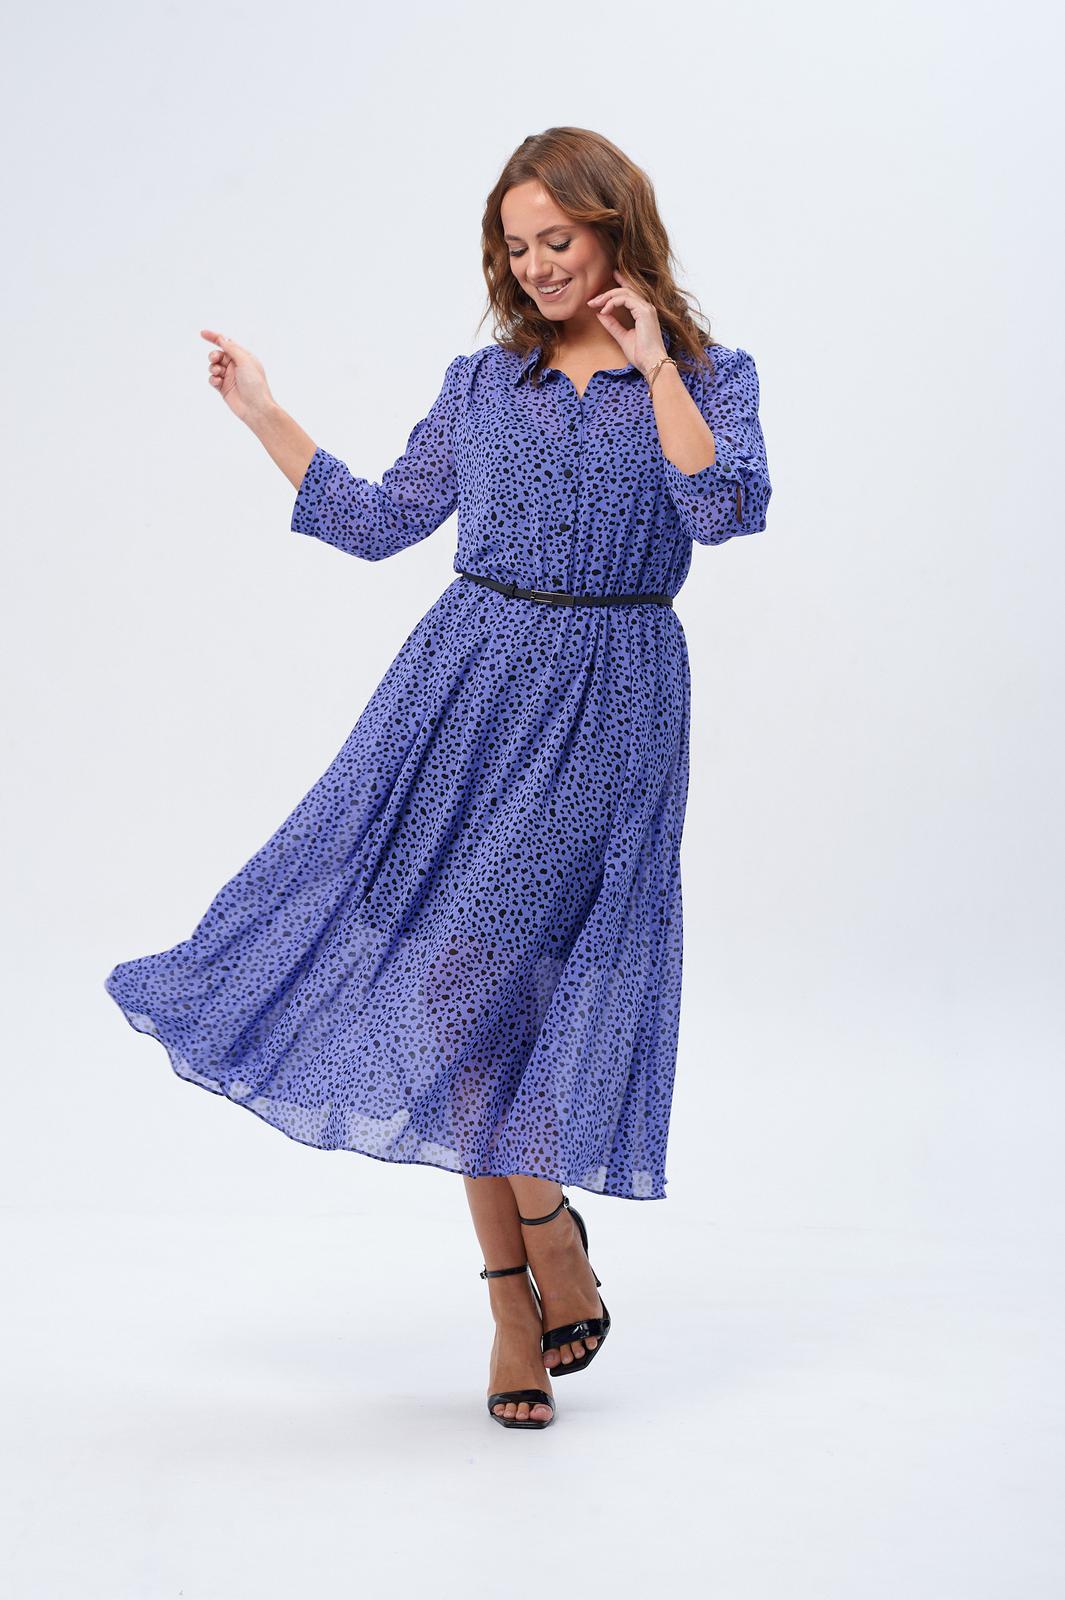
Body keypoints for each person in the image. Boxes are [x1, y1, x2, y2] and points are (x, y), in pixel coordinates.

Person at [104, 125, 772, 1431]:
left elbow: (722, 510)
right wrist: (263, 412)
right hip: (463, 694)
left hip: (612, 699)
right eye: (515, 248)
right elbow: (374, 523)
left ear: (615, 230)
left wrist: (652, 363)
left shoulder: (707, 375)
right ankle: (520, 1285)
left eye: (557, 241)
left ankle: (538, 1258)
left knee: (519, 978)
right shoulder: (483, 386)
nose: (536, 267)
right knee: (462, 984)